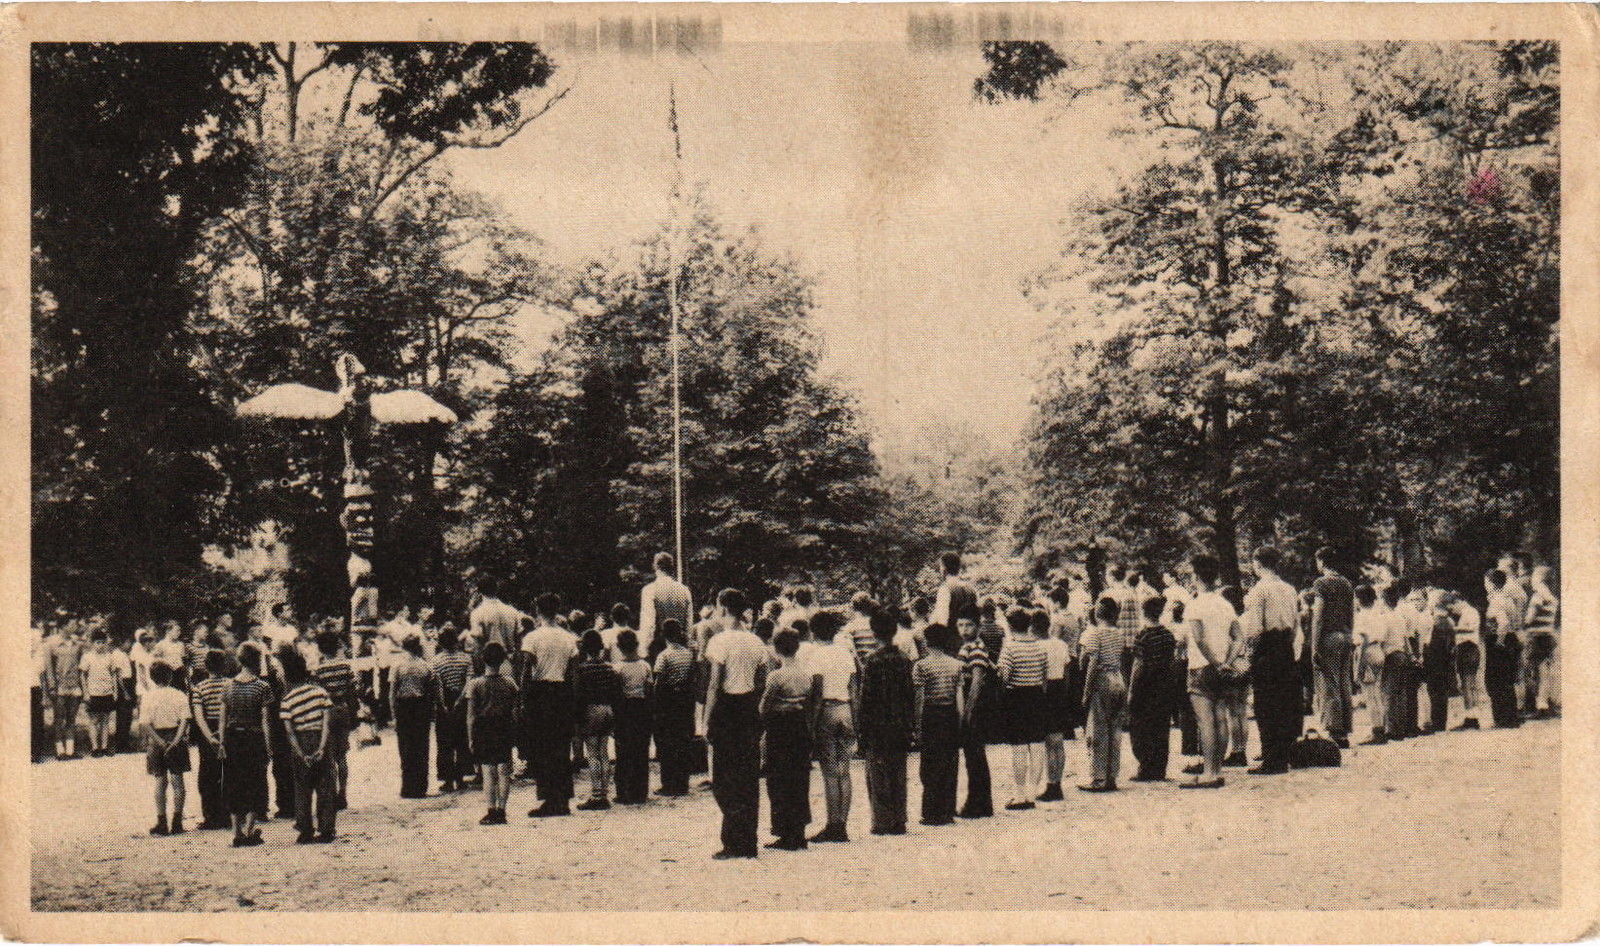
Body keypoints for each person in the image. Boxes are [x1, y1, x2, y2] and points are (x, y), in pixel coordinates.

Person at [704, 589, 769, 859]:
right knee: (747, 776)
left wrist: (706, 719)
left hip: (727, 708)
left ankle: (733, 839)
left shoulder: (719, 641)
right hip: (749, 708)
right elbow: (763, 681)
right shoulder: (757, 642)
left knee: (723, 777)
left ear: (722, 608)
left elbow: (714, 684)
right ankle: (748, 840)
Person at [1241, 546, 1302, 775]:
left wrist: (1250, 655)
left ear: (1257, 564)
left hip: (1266, 646)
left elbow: (1255, 628)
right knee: (1284, 701)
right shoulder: (1289, 589)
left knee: (1266, 704)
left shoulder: (1259, 590)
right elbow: (1295, 624)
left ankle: (1271, 758)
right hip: (1285, 645)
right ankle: (1282, 755)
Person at [760, 628, 818, 849]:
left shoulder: (776, 676)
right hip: (800, 726)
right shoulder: (806, 675)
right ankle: (799, 830)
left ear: (776, 649)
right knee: (799, 780)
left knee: (778, 780)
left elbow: (764, 706)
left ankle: (785, 831)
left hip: (780, 728)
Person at [522, 593, 579, 817]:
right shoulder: (569, 638)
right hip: (562, 691)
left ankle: (548, 799)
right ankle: (562, 799)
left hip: (541, 692)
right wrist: (573, 699)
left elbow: (527, 670)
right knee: (561, 746)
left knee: (543, 747)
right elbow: (574, 673)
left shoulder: (532, 638)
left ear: (538, 611)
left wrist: (523, 699)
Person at [804, 609, 858, 843]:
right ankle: (842, 824)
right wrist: (856, 721)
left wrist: (811, 725)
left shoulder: (815, 656)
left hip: (826, 710)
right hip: (846, 709)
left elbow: (816, 694)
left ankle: (832, 823)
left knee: (829, 771)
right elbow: (854, 690)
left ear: (813, 631)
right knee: (844, 770)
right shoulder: (846, 653)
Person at [1182, 555, 1235, 789]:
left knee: (1205, 722)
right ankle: (1218, 770)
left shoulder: (1194, 605)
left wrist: (1213, 661)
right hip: (1223, 665)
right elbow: (1238, 637)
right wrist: (1226, 662)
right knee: (1220, 717)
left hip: (1200, 667)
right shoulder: (1225, 604)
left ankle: (1208, 773)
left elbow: (1199, 639)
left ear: (1196, 576)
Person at [859, 610, 914, 835]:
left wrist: (862, 727)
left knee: (877, 772)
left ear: (874, 633)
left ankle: (882, 820)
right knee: (898, 771)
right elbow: (910, 694)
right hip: (900, 722)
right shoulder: (904, 659)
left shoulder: (872, 661)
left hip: (877, 724)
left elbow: (866, 697)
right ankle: (899, 819)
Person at [277, 650, 337, 844]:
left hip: (300, 741)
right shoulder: (320, 692)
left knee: (302, 787)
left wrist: (300, 752)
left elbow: (290, 732)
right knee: (326, 786)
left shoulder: (288, 700)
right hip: (321, 738)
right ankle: (326, 828)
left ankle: (305, 829)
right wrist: (321, 747)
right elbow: (327, 723)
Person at [220, 644, 273, 847]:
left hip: (233, 739)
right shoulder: (262, 687)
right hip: (254, 739)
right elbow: (265, 721)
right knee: (255, 783)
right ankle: (250, 830)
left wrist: (222, 742)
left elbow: (223, 718)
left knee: (234, 783)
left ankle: (236, 832)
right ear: (257, 661)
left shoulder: (228, 686)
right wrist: (268, 746)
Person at [913, 623, 965, 826]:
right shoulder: (956, 664)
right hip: (950, 715)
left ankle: (931, 812)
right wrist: (959, 721)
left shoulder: (921, 666)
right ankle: (947, 810)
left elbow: (920, 698)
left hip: (931, 716)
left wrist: (918, 726)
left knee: (930, 764)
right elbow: (959, 696)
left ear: (927, 642)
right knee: (950, 763)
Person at [996, 606, 1048, 806]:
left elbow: (1005, 676)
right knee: (1036, 746)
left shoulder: (1010, 648)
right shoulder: (1040, 647)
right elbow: (1044, 678)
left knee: (1018, 747)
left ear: (1009, 626)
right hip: (1036, 696)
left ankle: (1019, 795)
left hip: (1016, 697)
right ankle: (1032, 793)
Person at [1078, 596, 1129, 791]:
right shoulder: (1119, 633)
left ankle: (1098, 778)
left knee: (1098, 730)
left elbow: (1091, 663)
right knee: (1115, 730)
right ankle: (1112, 776)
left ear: (1097, 613)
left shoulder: (1094, 634)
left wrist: (1086, 691)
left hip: (1102, 680)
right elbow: (1121, 660)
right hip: (1118, 679)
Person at [466, 642, 520, 824]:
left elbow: (471, 716)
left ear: (483, 659)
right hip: (503, 727)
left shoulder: (475, 684)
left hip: (484, 729)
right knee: (504, 770)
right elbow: (515, 711)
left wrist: (471, 738)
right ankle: (502, 810)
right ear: (503, 659)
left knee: (488, 771)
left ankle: (491, 809)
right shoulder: (510, 682)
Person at [572, 629, 621, 811]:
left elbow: (578, 695)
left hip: (591, 710)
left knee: (592, 754)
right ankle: (605, 794)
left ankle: (596, 795)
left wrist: (577, 719)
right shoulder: (610, 668)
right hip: (608, 709)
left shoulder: (582, 669)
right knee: (604, 753)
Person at [1129, 596, 1176, 781]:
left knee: (1142, 727)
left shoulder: (1143, 635)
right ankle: (1160, 768)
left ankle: (1146, 767)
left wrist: (1132, 691)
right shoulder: (1168, 635)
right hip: (1164, 685)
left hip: (1146, 686)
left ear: (1143, 612)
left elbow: (1138, 666)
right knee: (1162, 727)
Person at [142, 662, 191, 836]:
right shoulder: (179, 695)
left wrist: (159, 742)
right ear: (170, 676)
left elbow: (146, 724)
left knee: (160, 781)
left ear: (152, 678)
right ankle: (177, 822)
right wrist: (176, 740)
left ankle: (161, 822)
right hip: (175, 735)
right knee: (178, 781)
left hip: (157, 739)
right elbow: (185, 720)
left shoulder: (148, 696)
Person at [955, 610, 995, 818]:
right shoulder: (967, 646)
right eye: (960, 625)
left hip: (976, 708)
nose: (964, 629)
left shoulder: (976, 647)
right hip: (973, 706)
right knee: (974, 756)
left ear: (978, 627)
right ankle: (981, 802)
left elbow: (977, 682)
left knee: (975, 755)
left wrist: (968, 712)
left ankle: (976, 804)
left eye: (968, 625)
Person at [313, 632, 359, 808]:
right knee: (342, 756)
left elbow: (318, 694)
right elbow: (354, 689)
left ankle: (331, 794)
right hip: (343, 709)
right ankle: (343, 793)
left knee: (329, 755)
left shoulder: (320, 670)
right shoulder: (345, 667)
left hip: (327, 711)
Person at [652, 619, 697, 796]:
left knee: (667, 743)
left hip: (668, 702)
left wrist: (655, 704)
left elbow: (659, 683)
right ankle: (682, 782)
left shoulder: (664, 656)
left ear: (664, 634)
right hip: (684, 701)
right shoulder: (687, 654)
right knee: (682, 741)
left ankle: (668, 783)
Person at [188, 649, 232, 830]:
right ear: (224, 665)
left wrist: (210, 737)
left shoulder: (199, 688)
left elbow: (199, 717)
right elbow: (232, 710)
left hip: (208, 732)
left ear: (206, 667)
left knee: (207, 775)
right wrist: (223, 734)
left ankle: (211, 816)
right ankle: (229, 814)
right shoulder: (231, 684)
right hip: (228, 729)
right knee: (229, 772)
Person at [391, 634, 437, 799]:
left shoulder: (397, 666)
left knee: (405, 747)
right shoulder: (425, 666)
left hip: (404, 707)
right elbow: (432, 692)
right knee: (421, 747)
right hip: (421, 707)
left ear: (404, 647)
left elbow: (392, 693)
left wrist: (394, 714)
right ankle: (421, 787)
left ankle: (408, 788)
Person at [612, 629, 653, 805]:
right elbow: (650, 690)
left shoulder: (618, 668)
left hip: (624, 709)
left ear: (620, 647)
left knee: (623, 751)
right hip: (642, 708)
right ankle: (640, 791)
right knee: (641, 750)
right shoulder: (645, 666)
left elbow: (616, 693)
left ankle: (624, 791)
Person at [431, 626, 474, 793]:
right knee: (461, 740)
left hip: (445, 701)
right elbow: (469, 681)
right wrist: (460, 700)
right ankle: (461, 777)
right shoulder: (466, 659)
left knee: (444, 743)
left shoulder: (436, 661)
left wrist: (442, 704)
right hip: (462, 701)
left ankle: (448, 780)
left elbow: (438, 685)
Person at [1037, 608, 1071, 800]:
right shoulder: (1060, 644)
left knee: (1049, 743)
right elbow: (1067, 673)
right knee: (1058, 742)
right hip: (1059, 690)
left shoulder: (1037, 646)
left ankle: (1051, 784)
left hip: (1045, 690)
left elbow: (1041, 675)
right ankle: (1057, 783)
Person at [1483, 570, 1522, 728]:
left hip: (1499, 641)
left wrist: (1499, 641)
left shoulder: (1496, 601)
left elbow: (1503, 622)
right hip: (1510, 639)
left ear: (1492, 583)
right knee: (1506, 680)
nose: (1485, 585)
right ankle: (1510, 718)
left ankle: (1502, 718)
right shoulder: (1508, 600)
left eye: (1486, 581)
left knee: (1495, 680)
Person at [639, 552, 693, 657]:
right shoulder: (684, 590)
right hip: (680, 646)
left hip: (658, 648)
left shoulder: (649, 590)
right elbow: (688, 622)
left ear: (655, 567)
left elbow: (649, 624)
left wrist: (643, 649)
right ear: (671, 568)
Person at [77, 630, 121, 757]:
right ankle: (95, 748)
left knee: (106, 720)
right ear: (92, 643)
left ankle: (105, 747)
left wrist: (115, 691)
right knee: (94, 720)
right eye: (98, 643)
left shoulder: (109, 656)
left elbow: (113, 674)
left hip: (107, 692)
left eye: (102, 643)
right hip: (93, 693)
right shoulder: (87, 657)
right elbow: (82, 675)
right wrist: (85, 692)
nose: (100, 645)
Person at [1524, 565, 1559, 719]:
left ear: (1539, 580)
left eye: (1534, 577)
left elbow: (1529, 619)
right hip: (1549, 637)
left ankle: (1538, 706)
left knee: (1533, 672)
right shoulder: (1552, 598)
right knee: (1545, 673)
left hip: (1536, 638)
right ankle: (1544, 704)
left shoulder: (1537, 597)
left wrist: (1523, 622)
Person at [1421, 588, 1457, 733]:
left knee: (1433, 690)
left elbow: (1427, 642)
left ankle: (1434, 722)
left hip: (1434, 658)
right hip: (1446, 658)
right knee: (1442, 691)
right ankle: (1441, 722)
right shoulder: (1449, 621)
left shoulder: (1434, 621)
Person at [1448, 592, 1486, 730]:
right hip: (1466, 649)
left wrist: (1452, 629)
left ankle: (1472, 718)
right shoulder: (1467, 613)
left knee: (1467, 684)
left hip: (1468, 648)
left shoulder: (1470, 612)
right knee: (1468, 684)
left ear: (1459, 601)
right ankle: (1472, 715)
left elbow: (1470, 629)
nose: (1453, 611)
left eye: (1453, 607)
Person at [470, 577, 525, 654]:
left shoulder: (477, 613)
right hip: (510, 659)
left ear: (479, 592)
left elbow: (478, 644)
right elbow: (519, 641)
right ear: (496, 589)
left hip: (489, 661)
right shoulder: (512, 610)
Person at [930, 551, 978, 629]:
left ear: (944, 568)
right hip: (969, 637)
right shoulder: (972, 588)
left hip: (951, 637)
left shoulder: (945, 589)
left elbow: (942, 621)